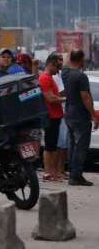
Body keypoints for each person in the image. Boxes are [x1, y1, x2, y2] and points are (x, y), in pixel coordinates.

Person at [61, 50, 99, 186]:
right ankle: (76, 175)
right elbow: (85, 97)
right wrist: (93, 116)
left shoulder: (65, 74)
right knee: (81, 146)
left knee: (72, 145)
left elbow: (66, 61)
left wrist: (70, 54)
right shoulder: (81, 76)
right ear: (81, 59)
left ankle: (73, 173)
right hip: (80, 115)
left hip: (69, 114)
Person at [39, 53, 66, 181]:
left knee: (53, 145)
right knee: (50, 146)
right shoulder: (45, 78)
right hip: (50, 116)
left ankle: (52, 172)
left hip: (55, 116)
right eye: (57, 67)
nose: (58, 70)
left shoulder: (50, 77)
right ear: (51, 64)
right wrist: (65, 99)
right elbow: (50, 98)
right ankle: (48, 173)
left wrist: (60, 98)